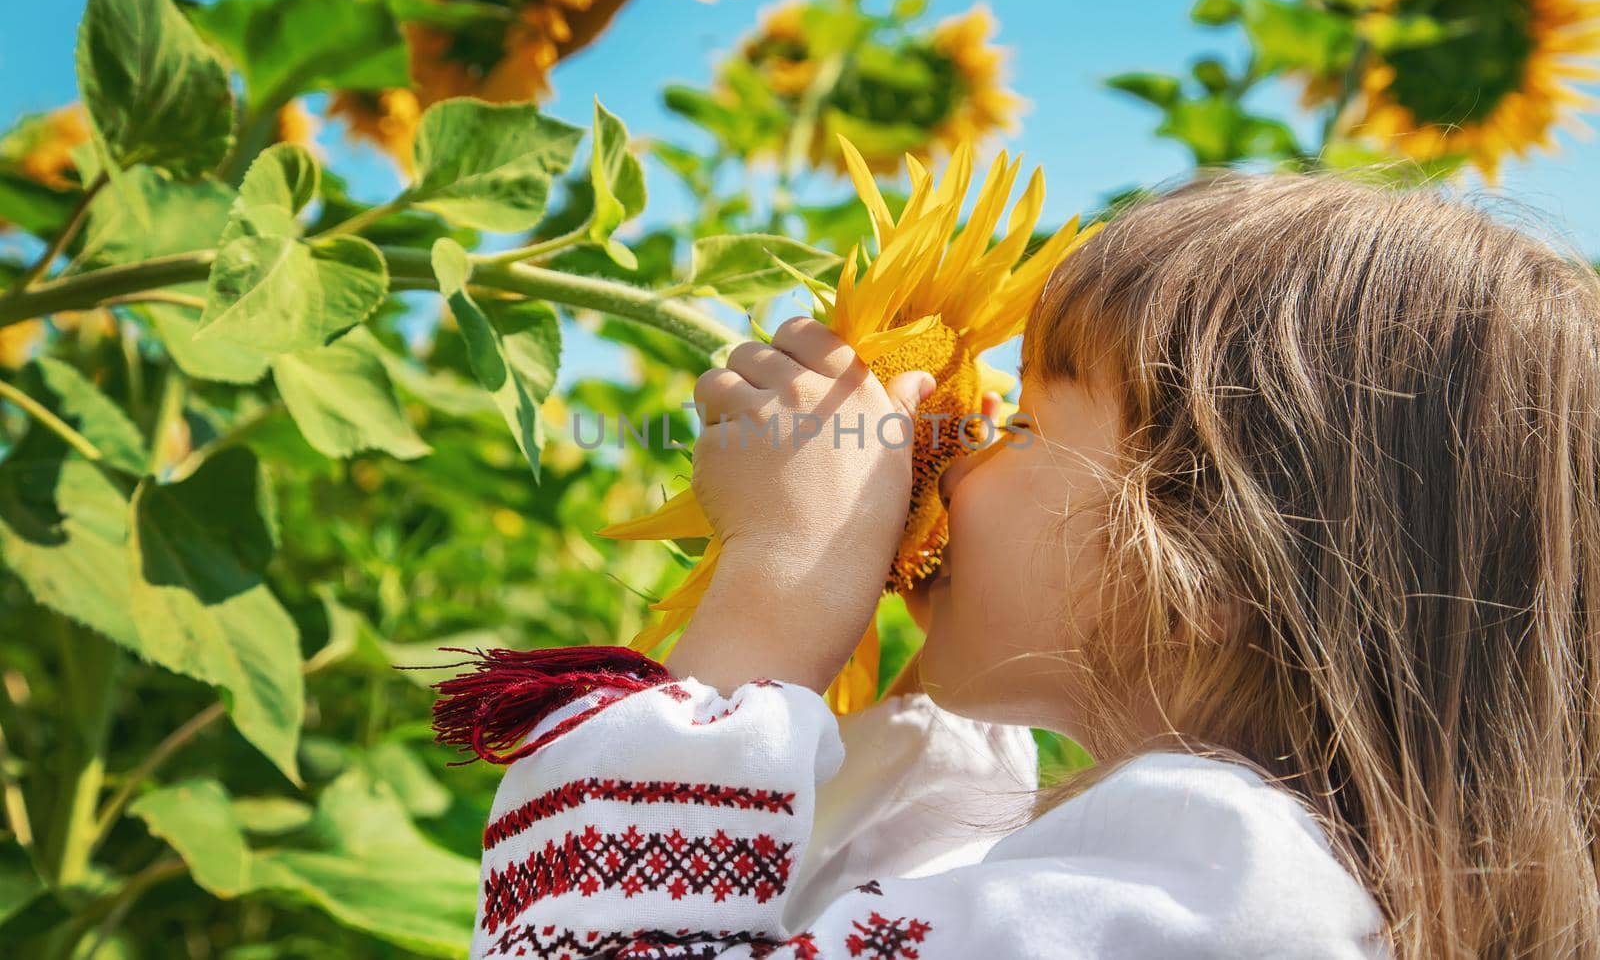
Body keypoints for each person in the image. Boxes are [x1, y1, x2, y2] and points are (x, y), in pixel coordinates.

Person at [437, 172, 1600, 958]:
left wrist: (780, 582)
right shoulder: (1180, 886)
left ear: (1197, 564)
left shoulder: (1217, 889)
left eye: (1028, 430)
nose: (954, 450)